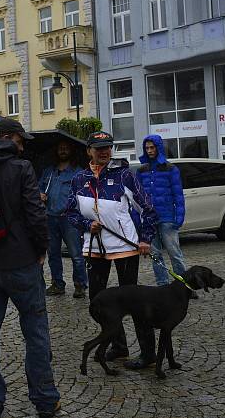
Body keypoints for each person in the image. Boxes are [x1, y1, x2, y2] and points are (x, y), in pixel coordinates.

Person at [0, 118, 60, 418]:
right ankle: (46, 400)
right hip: (22, 262)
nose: (23, 147)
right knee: (35, 333)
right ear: (8, 138)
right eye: (21, 141)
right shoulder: (22, 169)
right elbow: (37, 215)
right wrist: (41, 249)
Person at [66, 131, 158, 370]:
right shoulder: (79, 179)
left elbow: (147, 208)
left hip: (125, 247)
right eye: (99, 148)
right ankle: (118, 346)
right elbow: (70, 213)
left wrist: (146, 239)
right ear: (89, 151)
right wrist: (87, 225)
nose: (105, 152)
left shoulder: (124, 175)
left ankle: (149, 353)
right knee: (101, 302)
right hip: (94, 248)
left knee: (135, 302)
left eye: (108, 147)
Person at [137, 135, 190, 291]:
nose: (149, 150)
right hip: (150, 220)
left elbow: (178, 195)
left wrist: (179, 217)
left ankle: (183, 285)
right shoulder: (141, 170)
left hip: (168, 218)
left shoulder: (171, 169)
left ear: (158, 148)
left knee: (175, 254)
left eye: (152, 147)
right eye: (147, 148)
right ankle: (163, 286)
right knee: (156, 256)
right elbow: (138, 197)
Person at [39, 140, 87, 298]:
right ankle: (57, 284)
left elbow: (83, 195)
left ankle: (80, 285)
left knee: (76, 254)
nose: (63, 151)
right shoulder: (49, 172)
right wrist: (40, 195)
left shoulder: (78, 172)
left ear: (71, 151)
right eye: (60, 148)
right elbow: (38, 189)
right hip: (50, 217)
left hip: (69, 218)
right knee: (53, 254)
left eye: (66, 148)